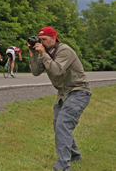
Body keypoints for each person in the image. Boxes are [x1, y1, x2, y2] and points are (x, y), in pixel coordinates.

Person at [28, 27, 91, 171]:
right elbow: (36, 72)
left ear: (54, 38)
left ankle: (63, 165)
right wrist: (32, 54)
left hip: (78, 91)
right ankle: (74, 155)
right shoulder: (46, 52)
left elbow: (56, 71)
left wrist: (43, 53)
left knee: (63, 125)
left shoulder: (64, 50)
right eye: (40, 39)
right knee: (58, 125)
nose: (41, 42)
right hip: (63, 94)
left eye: (44, 39)